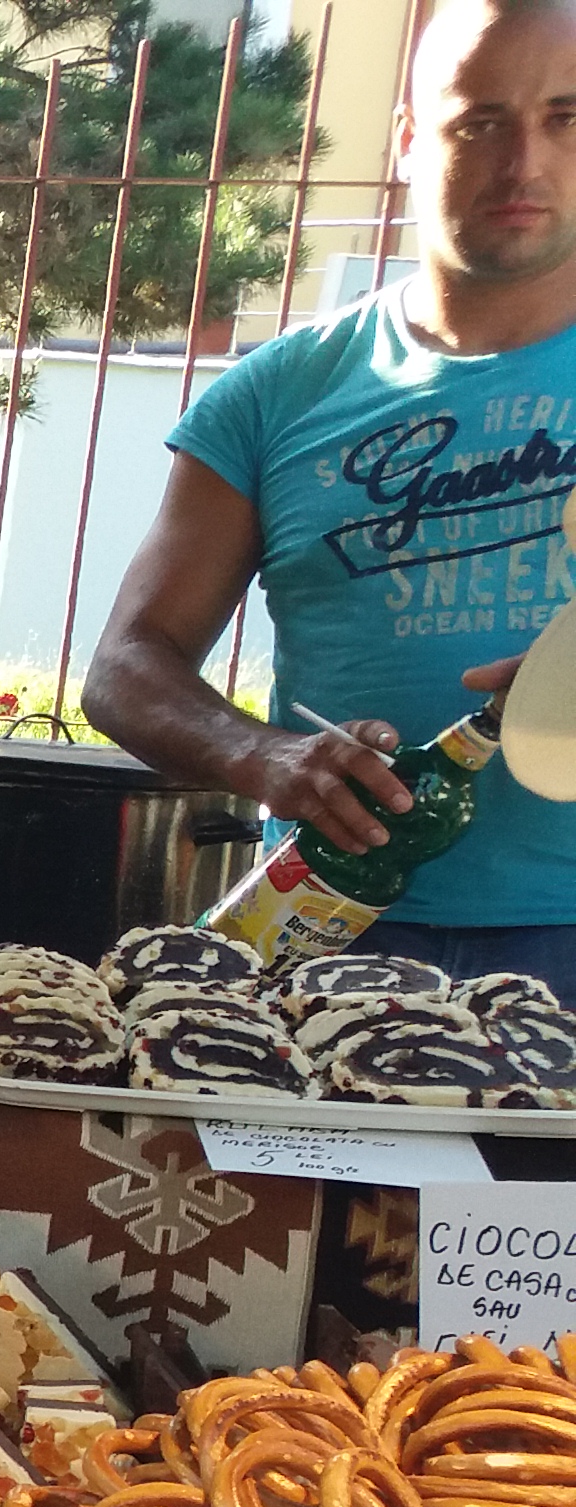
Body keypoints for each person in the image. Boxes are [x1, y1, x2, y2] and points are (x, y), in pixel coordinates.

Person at [89, 0, 576, 983]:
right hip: (328, 933)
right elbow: (127, 666)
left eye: (566, 118)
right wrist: (264, 756)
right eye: (480, 122)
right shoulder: (276, 393)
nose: (523, 162)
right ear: (409, 139)